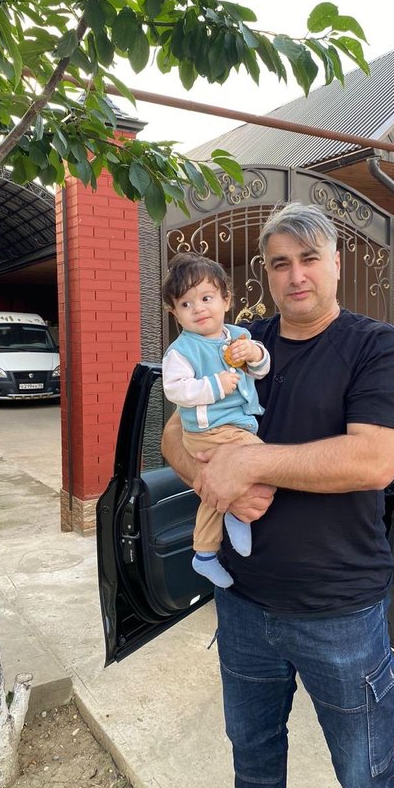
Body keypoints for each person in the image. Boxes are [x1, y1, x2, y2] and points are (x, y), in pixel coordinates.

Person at [162, 203, 394, 788]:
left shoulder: (375, 347)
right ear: (266, 273)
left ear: (336, 263)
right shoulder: (238, 342)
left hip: (340, 611)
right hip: (243, 603)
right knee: (252, 762)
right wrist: (212, 482)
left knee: (369, 778)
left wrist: (252, 463)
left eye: (309, 258)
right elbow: (176, 432)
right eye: (281, 263)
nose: (296, 275)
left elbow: (373, 461)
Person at [162, 252, 271, 589]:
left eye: (206, 298)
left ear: (226, 299)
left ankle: (205, 552)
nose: (198, 309)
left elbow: (262, 370)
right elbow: (175, 389)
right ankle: (238, 514)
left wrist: (255, 353)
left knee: (216, 487)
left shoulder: (238, 336)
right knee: (261, 459)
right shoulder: (182, 350)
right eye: (186, 304)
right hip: (209, 430)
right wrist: (214, 385)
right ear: (174, 313)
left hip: (234, 425)